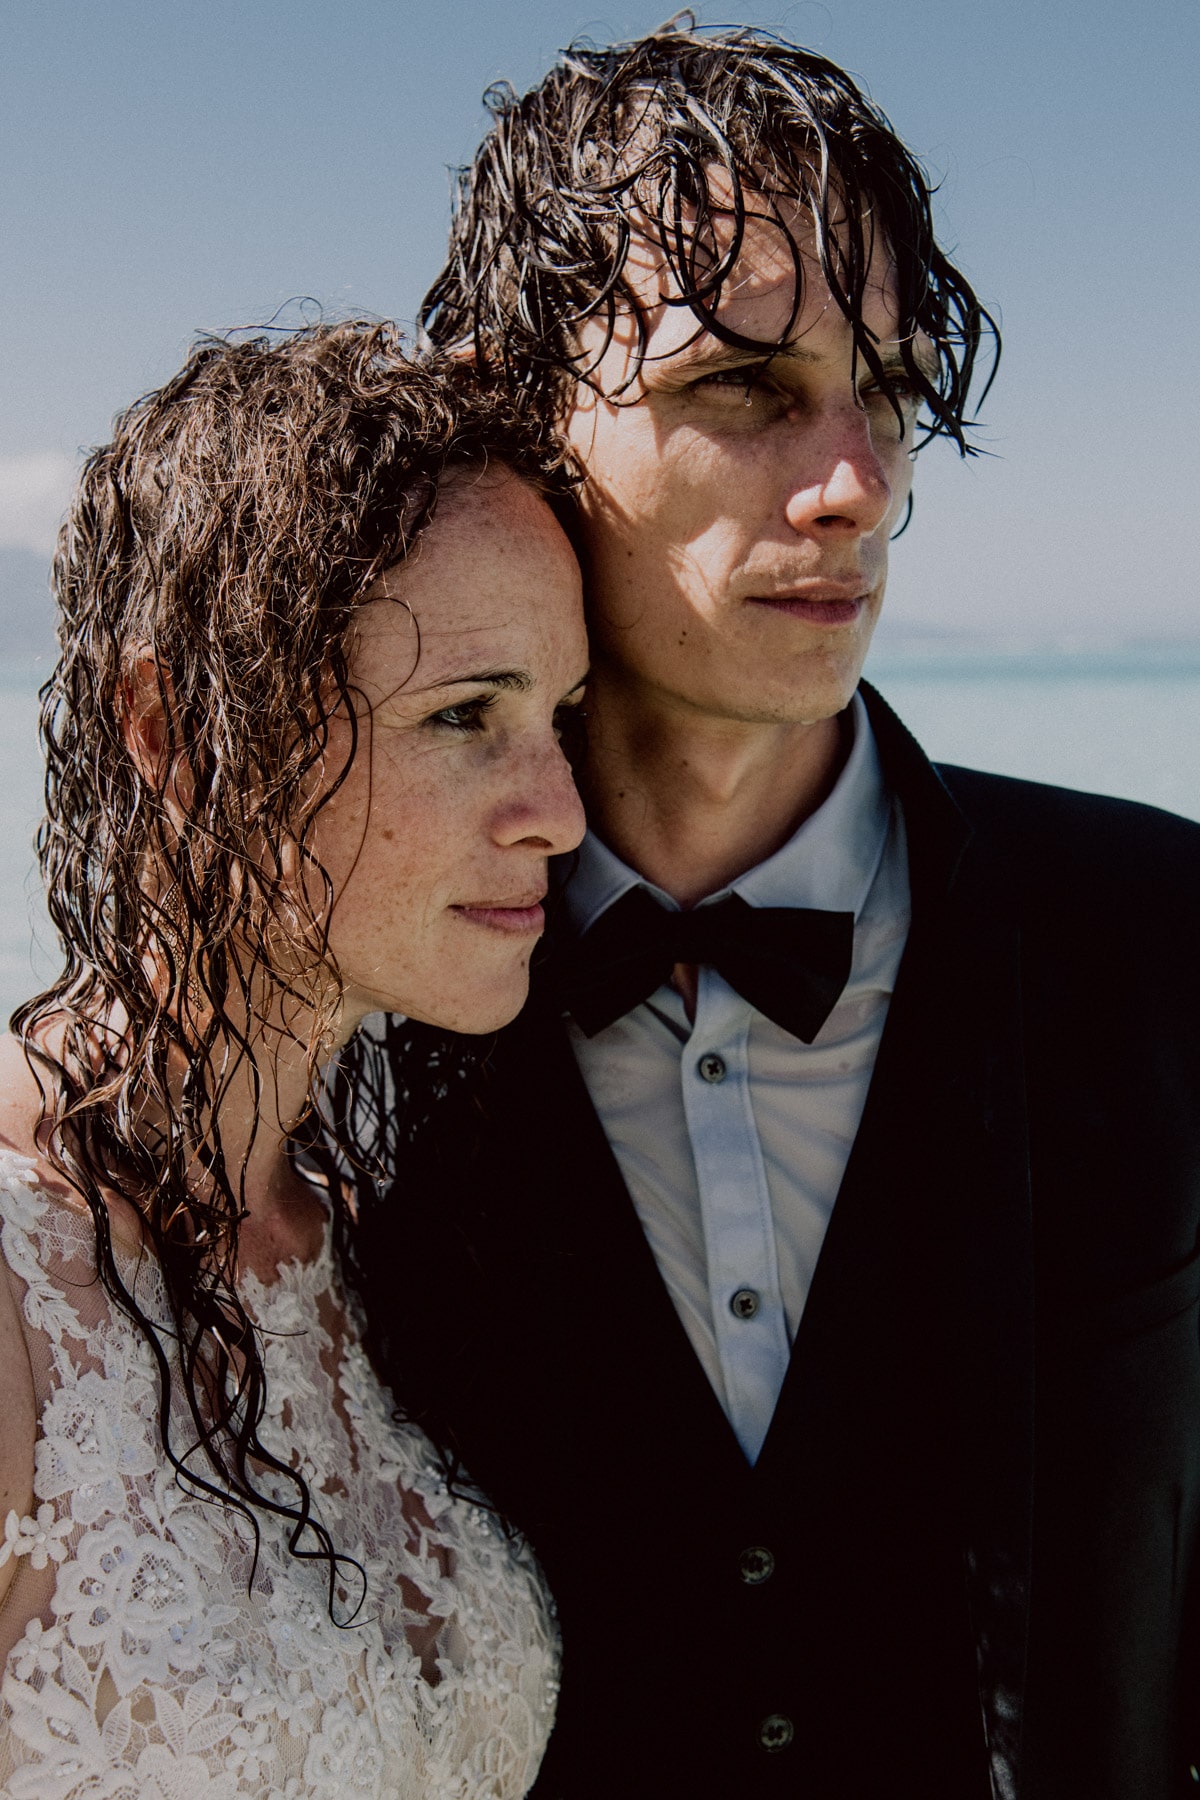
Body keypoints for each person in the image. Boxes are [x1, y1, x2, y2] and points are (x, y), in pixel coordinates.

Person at [340, 19, 1200, 1800]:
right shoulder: (350, 1017)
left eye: (884, 391)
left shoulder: (1165, 932)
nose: (857, 485)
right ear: (521, 414)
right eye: (742, 388)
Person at [0, 320, 590, 1799]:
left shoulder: (374, 1229)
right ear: (174, 733)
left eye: (561, 718)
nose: (560, 814)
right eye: (467, 716)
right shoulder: (13, 1288)